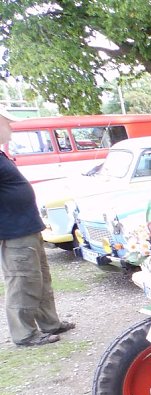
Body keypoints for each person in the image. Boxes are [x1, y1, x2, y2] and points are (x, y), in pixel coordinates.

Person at [0, 107, 75, 347]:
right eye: (7, 123)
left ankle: (50, 323)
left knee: (40, 279)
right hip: (14, 232)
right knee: (22, 282)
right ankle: (24, 334)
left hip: (27, 228)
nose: (10, 128)